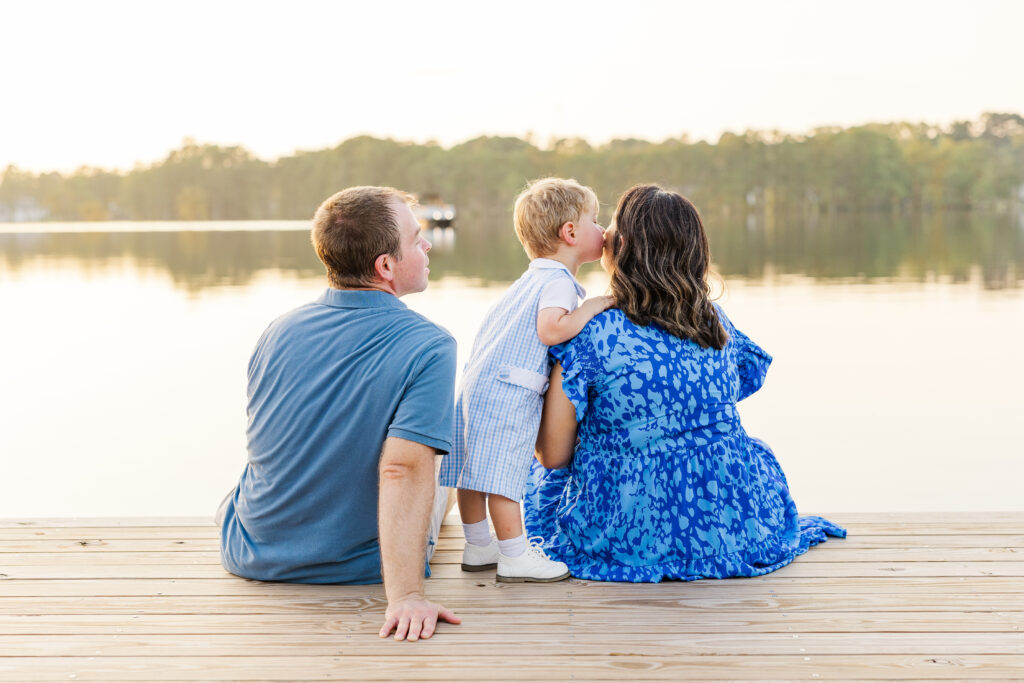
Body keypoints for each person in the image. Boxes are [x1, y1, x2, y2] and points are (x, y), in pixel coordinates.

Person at [524, 184, 846, 582]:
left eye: (609, 227)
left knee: (537, 477)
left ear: (620, 246)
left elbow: (553, 456)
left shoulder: (594, 335)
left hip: (629, 530)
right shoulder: (716, 324)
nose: (603, 235)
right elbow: (733, 388)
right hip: (728, 523)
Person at [218, 186, 461, 641]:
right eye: (415, 238)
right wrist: (406, 595)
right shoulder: (430, 346)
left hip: (251, 552)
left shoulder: (279, 329)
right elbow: (402, 470)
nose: (426, 244)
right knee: (440, 465)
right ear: (385, 266)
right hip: (359, 565)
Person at [438, 178, 613, 582]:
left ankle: (479, 545)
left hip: (479, 384)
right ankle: (515, 554)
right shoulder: (559, 282)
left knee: (473, 469)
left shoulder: (528, 280)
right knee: (502, 473)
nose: (602, 231)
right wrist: (594, 305)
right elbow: (552, 329)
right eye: (595, 220)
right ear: (569, 233)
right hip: (510, 390)